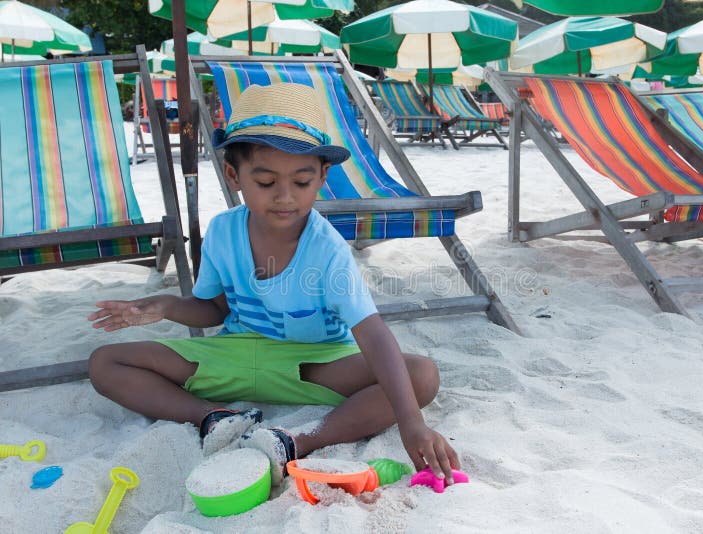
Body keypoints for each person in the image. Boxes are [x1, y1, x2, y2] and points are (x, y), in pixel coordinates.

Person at [87, 82, 459, 486]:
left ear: (321, 177)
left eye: (301, 182)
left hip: (314, 364)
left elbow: (372, 334)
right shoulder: (222, 231)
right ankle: (214, 417)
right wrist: (164, 306)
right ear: (234, 175)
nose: (285, 197)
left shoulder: (327, 249)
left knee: (421, 376)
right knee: (106, 362)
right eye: (266, 183)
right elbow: (212, 310)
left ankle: (298, 439)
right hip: (233, 353)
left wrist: (412, 424)